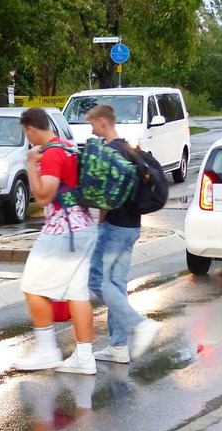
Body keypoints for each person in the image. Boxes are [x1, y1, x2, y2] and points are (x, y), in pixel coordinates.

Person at [14, 108, 98, 375]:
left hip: (62, 231)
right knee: (77, 293)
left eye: (26, 133)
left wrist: (30, 165)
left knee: (32, 285)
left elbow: (44, 195)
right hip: (84, 226)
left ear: (31, 129)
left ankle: (46, 350)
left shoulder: (50, 154)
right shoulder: (69, 147)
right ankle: (85, 356)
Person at [86, 105, 162, 364]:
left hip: (115, 227)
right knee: (116, 286)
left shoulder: (110, 153)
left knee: (97, 282)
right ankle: (118, 346)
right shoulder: (129, 149)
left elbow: (108, 197)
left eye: (93, 124)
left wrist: (100, 221)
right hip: (132, 226)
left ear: (103, 122)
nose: (92, 129)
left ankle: (139, 324)